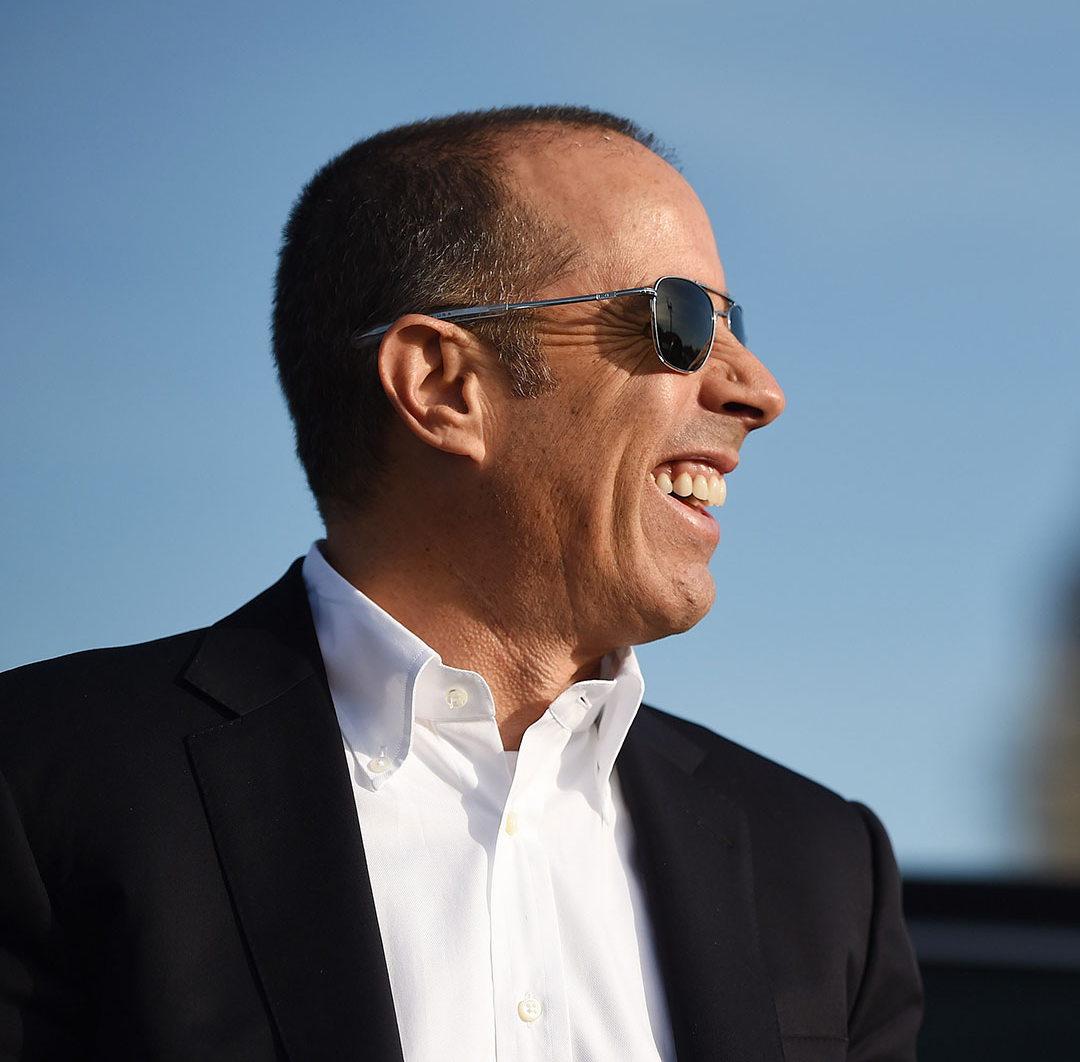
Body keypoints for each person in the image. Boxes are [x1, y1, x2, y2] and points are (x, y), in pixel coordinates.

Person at [0, 106, 922, 1062]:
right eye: (681, 320)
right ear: (443, 385)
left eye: (736, 326)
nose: (759, 390)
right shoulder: (43, 791)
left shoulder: (824, 875)